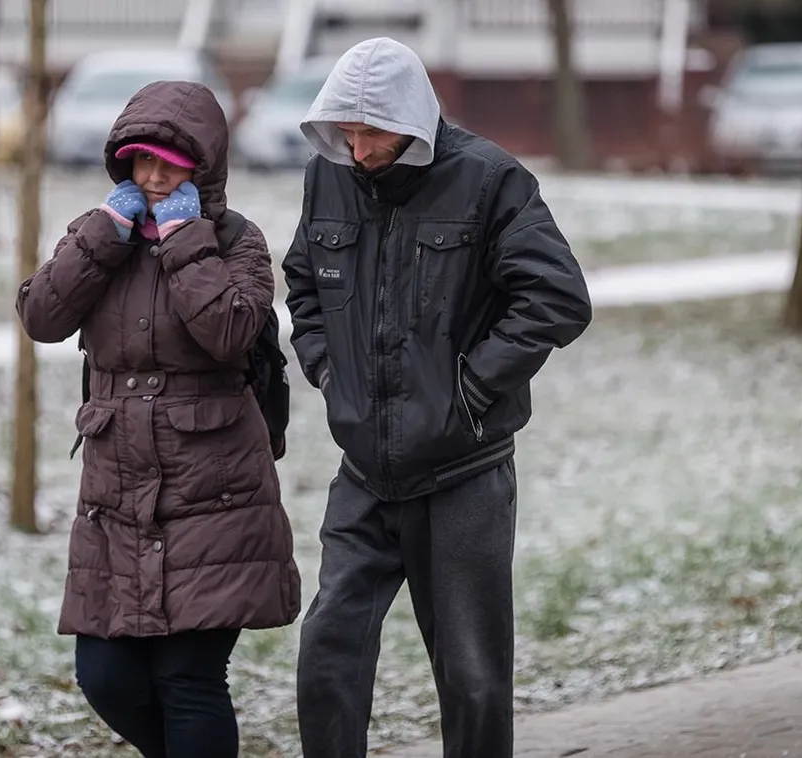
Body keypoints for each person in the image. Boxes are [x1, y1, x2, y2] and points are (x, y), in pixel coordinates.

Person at [283, 37, 593, 758]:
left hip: (463, 475)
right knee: (329, 647)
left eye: (372, 134)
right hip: (363, 472)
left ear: (413, 123)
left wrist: (470, 391)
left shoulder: (488, 180)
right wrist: (330, 373)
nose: (357, 150)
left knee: (472, 676)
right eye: (346, 132)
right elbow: (302, 283)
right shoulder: (325, 178)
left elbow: (556, 298)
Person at [16, 80, 300, 758]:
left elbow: (232, 332)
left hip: (213, 491)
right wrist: (102, 237)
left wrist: (181, 240)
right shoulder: (99, 235)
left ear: (202, 169)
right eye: (140, 162)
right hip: (116, 497)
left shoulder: (236, 241)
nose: (151, 177)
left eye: (169, 164)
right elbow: (41, 317)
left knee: (187, 676)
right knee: (107, 677)